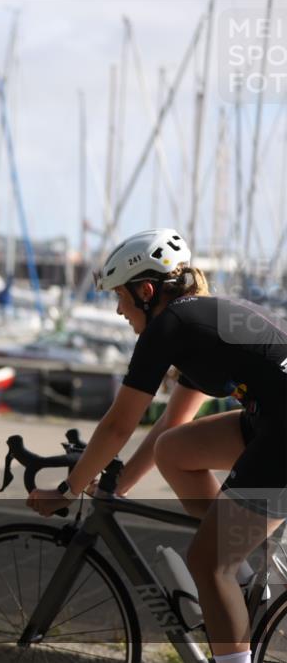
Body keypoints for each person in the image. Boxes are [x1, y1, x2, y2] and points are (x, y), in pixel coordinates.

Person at [27, 228, 287, 662]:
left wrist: (68, 489)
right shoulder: (196, 321)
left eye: (120, 298)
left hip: (281, 430)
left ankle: (226, 575)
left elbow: (117, 427)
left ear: (145, 291)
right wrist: (115, 485)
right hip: (272, 420)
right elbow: (172, 422)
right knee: (175, 449)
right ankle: (239, 577)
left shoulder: (171, 326)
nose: (117, 309)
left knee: (207, 563)